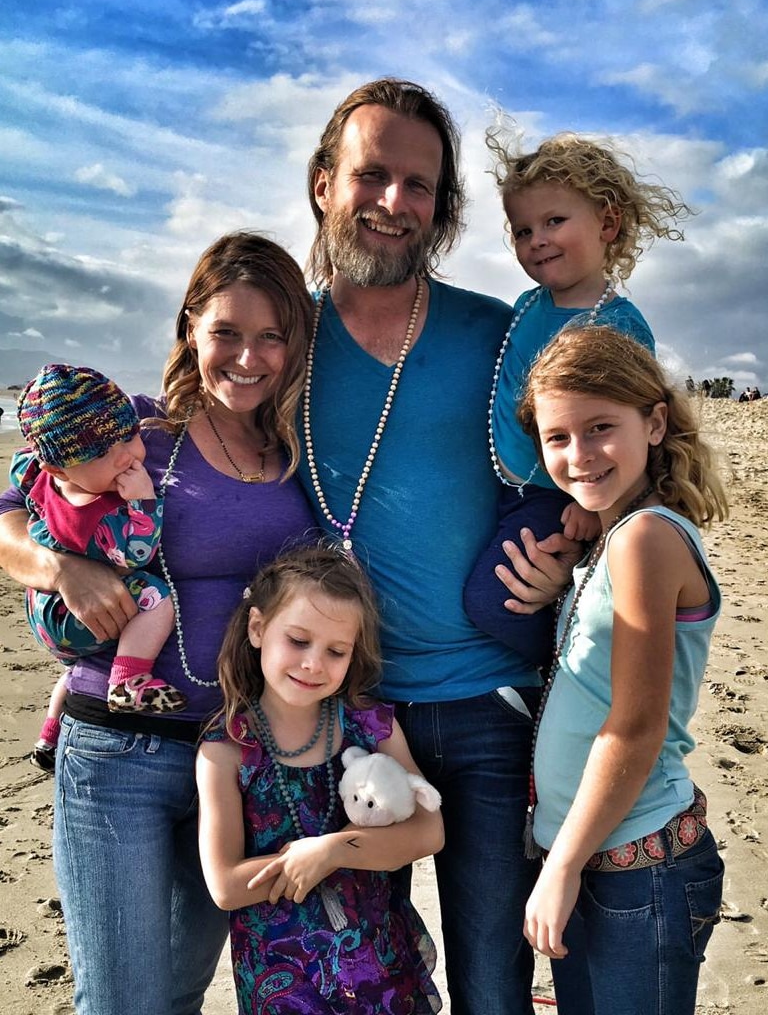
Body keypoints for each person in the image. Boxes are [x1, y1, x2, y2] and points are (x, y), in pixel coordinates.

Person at [299, 77, 578, 1015]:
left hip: (491, 706)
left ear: (443, 208)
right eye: (371, 174)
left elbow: (597, 466)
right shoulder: (279, 339)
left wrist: (566, 555)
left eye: (418, 185)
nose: (393, 202)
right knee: (349, 987)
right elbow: (182, 460)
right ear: (323, 184)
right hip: (342, 717)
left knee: (493, 988)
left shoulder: (501, 336)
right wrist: (49, 553)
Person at [0, 231, 316, 1015]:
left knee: (177, 992)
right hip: (117, 751)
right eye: (227, 333)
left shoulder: (303, 449)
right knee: (122, 1001)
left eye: (271, 335)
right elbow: (8, 515)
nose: (248, 357)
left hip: (237, 757)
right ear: (189, 331)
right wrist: (59, 568)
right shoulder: (135, 429)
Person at [517, 326, 727, 1015]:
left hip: (640, 870)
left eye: (601, 427)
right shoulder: (618, 536)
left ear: (656, 421)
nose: (579, 455)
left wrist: (563, 866)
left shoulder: (645, 540)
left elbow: (634, 727)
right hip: (604, 863)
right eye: (558, 438)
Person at [464, 127, 692, 667]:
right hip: (507, 488)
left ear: (608, 223)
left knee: (492, 601)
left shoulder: (617, 323)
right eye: (522, 230)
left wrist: (595, 509)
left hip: (560, 496)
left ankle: (571, 669)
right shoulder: (525, 305)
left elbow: (628, 430)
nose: (536, 239)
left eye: (554, 222)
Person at [197, 543, 444, 1014]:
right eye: (298, 641)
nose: (314, 663)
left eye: (336, 651)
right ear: (257, 628)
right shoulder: (226, 748)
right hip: (283, 982)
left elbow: (429, 830)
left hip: (381, 968)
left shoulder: (370, 725)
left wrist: (330, 851)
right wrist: (311, 862)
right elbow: (225, 884)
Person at [11, 364, 179, 771]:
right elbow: (135, 553)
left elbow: (23, 466)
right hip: (74, 612)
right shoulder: (88, 516)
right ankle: (127, 679)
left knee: (74, 670)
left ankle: (50, 732)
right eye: (101, 452)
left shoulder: (42, 476)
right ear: (58, 468)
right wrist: (143, 501)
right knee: (158, 600)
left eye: (128, 435)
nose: (125, 456)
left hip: (46, 611)